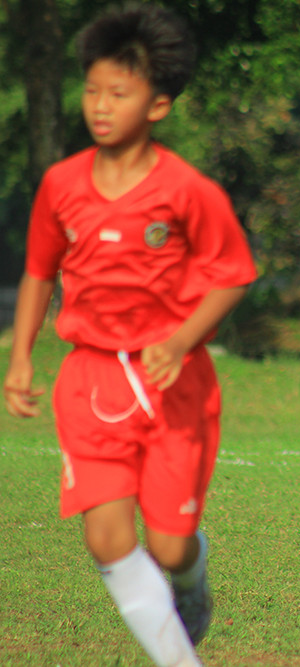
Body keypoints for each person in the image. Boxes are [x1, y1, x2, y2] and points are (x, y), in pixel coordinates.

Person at [2, 5, 256, 666]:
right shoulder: (61, 185)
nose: (100, 106)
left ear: (158, 105)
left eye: (119, 93)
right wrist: (21, 357)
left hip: (173, 383)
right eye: (92, 90)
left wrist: (179, 340)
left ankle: (191, 580)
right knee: (108, 539)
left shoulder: (187, 191)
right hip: (89, 381)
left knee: (169, 546)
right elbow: (39, 270)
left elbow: (233, 275)